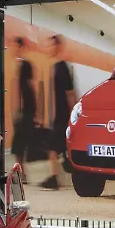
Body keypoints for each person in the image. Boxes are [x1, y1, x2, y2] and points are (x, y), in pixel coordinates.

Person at [40, 34, 76, 190]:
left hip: (63, 115)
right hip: (58, 114)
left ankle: (55, 177)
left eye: (52, 45)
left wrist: (73, 115)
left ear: (58, 46)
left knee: (54, 148)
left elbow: (70, 93)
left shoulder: (62, 67)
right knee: (57, 147)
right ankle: (56, 175)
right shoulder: (55, 66)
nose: (49, 48)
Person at [10, 54, 37, 181]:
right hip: (28, 118)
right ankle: (22, 172)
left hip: (23, 119)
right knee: (20, 148)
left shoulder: (23, 86)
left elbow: (21, 102)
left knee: (18, 148)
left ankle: (22, 173)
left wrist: (17, 115)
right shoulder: (29, 86)